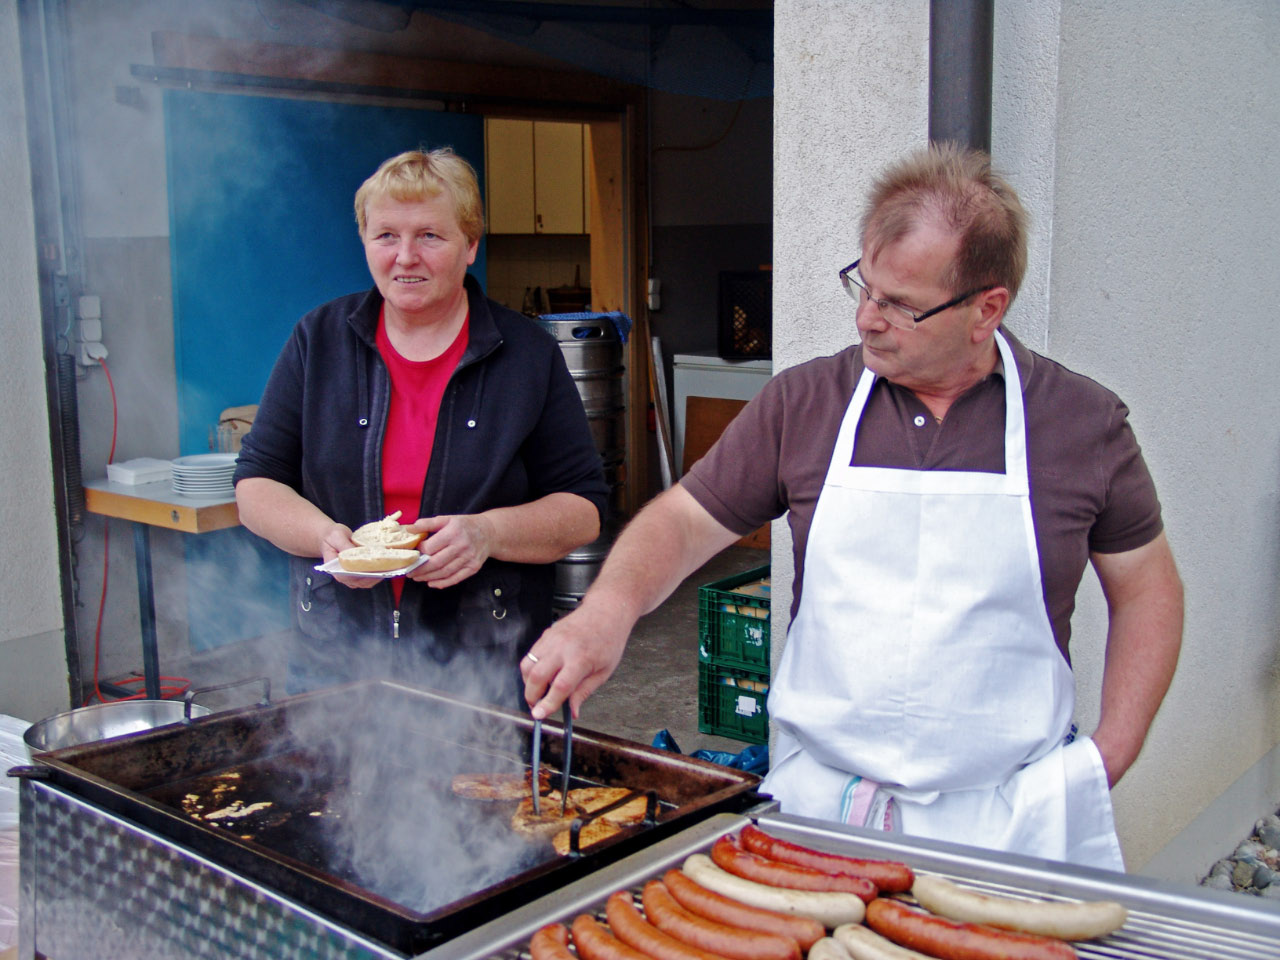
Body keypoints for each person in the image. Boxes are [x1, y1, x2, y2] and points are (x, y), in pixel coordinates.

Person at [522, 143, 1183, 870]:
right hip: (820, 809)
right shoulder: (806, 402)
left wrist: (1111, 752)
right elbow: (682, 521)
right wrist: (605, 613)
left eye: (899, 304)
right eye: (863, 288)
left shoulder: (1082, 423)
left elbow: (1147, 588)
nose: (867, 318)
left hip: (1010, 818)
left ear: (986, 309)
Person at [234, 148, 608, 707]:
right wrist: (324, 538)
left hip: (483, 662)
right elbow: (255, 485)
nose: (405, 257)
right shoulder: (319, 341)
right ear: (365, 241)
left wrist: (488, 533)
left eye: (430, 236)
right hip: (335, 662)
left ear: (470, 245)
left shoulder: (527, 355)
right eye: (386, 235)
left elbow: (583, 510)